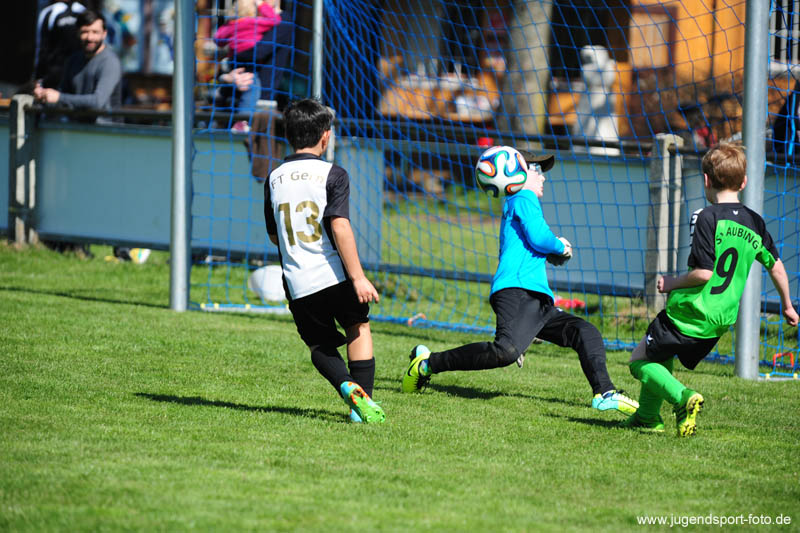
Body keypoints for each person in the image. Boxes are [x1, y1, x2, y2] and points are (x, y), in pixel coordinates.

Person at [401, 149, 639, 417]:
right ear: (519, 173)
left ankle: (605, 393)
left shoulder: (518, 201)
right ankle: (426, 365)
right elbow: (539, 237)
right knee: (506, 351)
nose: (543, 178)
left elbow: (531, 243)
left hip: (536, 299)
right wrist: (559, 246)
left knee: (585, 331)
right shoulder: (524, 196)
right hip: (517, 292)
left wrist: (550, 252)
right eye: (538, 171)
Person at [622, 143, 799, 436]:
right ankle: (647, 417)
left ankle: (682, 397)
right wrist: (788, 305)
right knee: (660, 353)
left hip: (690, 312)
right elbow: (777, 267)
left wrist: (671, 283)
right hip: (719, 321)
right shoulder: (755, 222)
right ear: (744, 182)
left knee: (639, 360)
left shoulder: (707, 217)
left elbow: (704, 274)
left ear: (705, 180)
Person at [264, 98, 385, 424]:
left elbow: (274, 236)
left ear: (287, 135)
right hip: (335, 274)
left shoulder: (273, 178)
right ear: (325, 136)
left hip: (298, 282)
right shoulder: (333, 174)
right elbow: (340, 225)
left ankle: (345, 385)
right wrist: (358, 277)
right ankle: (361, 407)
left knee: (320, 345)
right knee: (358, 326)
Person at [33, 9, 121, 121]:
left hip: (105, 130)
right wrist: (44, 96)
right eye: (85, 32)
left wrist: (59, 97)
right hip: (75, 128)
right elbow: (63, 99)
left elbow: (97, 102)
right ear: (77, 32)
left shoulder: (110, 62)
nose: (90, 38)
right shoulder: (73, 60)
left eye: (95, 32)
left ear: (104, 34)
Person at [214, 0, 281, 129]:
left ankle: (218, 113)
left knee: (235, 85)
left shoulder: (232, 24)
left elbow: (218, 39)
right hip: (249, 60)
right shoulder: (253, 22)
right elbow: (274, 20)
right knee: (252, 86)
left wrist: (228, 24)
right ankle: (242, 121)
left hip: (233, 60)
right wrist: (262, 5)